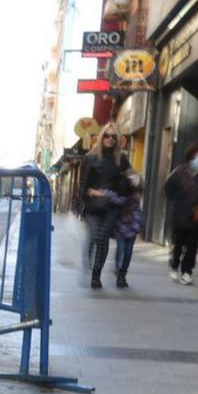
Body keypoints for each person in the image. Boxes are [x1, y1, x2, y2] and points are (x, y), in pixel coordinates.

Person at [75, 123, 133, 289]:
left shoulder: (122, 159)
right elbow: (83, 184)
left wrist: (133, 180)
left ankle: (96, 275)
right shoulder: (91, 157)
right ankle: (88, 263)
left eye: (113, 137)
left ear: (118, 139)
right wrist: (84, 199)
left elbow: (132, 181)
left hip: (111, 207)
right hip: (93, 206)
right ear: (101, 137)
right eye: (106, 135)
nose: (109, 139)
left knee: (102, 239)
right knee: (94, 236)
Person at [164, 142, 198, 286]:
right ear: (192, 154)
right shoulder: (179, 172)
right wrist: (179, 203)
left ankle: (187, 272)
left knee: (193, 245)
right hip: (180, 215)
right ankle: (174, 264)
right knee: (178, 243)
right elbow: (168, 189)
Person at [110, 172, 143, 288]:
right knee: (121, 250)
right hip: (121, 230)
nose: (138, 196)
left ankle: (122, 273)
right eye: (137, 193)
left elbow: (139, 217)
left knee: (128, 252)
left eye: (139, 194)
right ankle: (119, 270)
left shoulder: (136, 205)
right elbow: (113, 198)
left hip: (132, 231)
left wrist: (138, 227)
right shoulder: (123, 199)